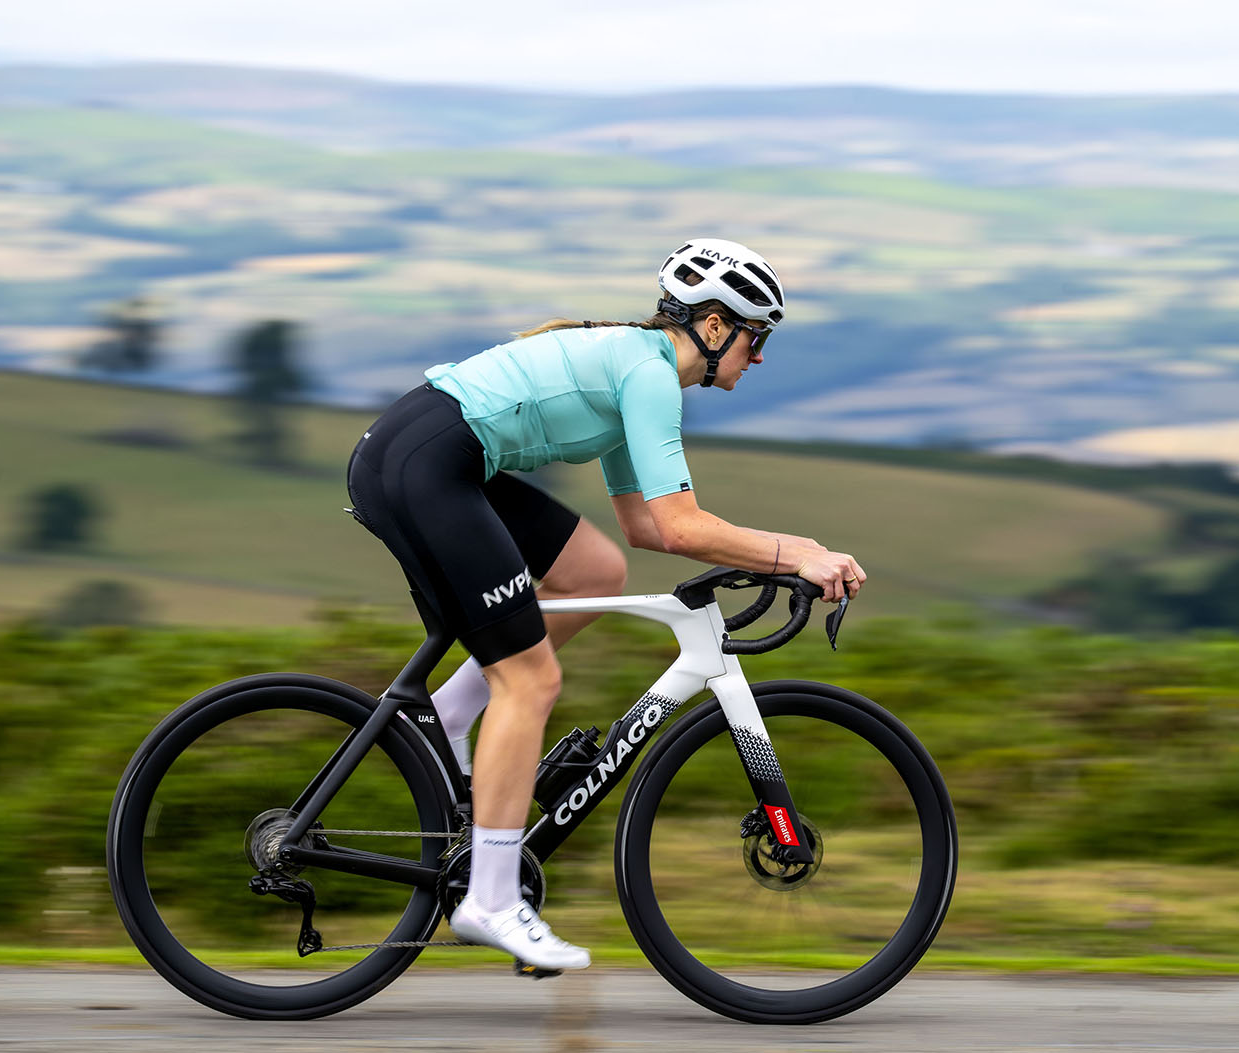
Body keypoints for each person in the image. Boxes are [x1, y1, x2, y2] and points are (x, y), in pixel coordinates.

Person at [345, 238, 867, 972]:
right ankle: (490, 900)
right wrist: (798, 554)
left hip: (434, 457)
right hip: (424, 465)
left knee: (593, 567)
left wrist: (790, 546)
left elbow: (649, 527)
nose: (758, 356)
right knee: (529, 680)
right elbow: (684, 525)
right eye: (757, 338)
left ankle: (452, 714)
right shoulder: (646, 373)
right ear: (714, 327)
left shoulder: (642, 371)